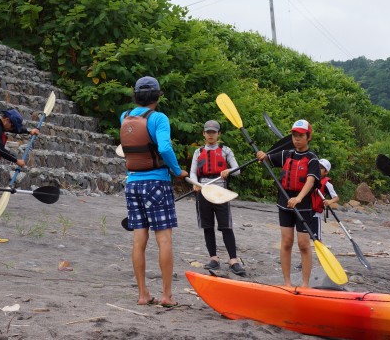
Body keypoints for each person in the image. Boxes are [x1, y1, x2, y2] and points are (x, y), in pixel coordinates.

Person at [120, 76, 189, 307]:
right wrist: (177, 170)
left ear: (136, 95)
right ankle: (167, 296)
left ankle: (143, 294)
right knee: (164, 238)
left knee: (139, 239)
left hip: (132, 183)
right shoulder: (158, 118)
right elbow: (165, 147)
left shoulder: (125, 117)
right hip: (156, 183)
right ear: (157, 96)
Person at [256, 119, 321, 288]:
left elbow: (311, 180)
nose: (297, 139)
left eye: (300, 136)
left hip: (303, 204)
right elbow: (267, 158)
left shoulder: (312, 158)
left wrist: (299, 198)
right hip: (284, 202)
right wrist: (262, 155)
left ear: (308, 137)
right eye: (294, 135)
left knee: (304, 244)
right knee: (286, 242)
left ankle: (305, 285)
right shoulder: (286, 154)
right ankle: (287, 283)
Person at [0, 108, 39, 244]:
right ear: (7, 120)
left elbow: (15, 130)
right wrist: (17, 160)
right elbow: (0, 150)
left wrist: (29, 131)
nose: (12, 128)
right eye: (12, 125)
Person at [189, 120, 246, 276]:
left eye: (214, 132)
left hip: (220, 190)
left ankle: (233, 260)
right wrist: (195, 183)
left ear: (218, 134)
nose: (211, 135)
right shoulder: (198, 152)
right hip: (204, 190)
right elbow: (193, 171)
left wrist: (228, 170)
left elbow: (237, 170)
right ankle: (213, 258)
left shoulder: (225, 150)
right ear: (204, 134)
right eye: (208, 132)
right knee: (208, 226)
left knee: (226, 226)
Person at [311, 158, 339, 240]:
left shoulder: (327, 184)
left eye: (320, 167)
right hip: (306, 210)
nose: (317, 168)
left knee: (316, 238)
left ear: (326, 172)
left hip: (316, 213)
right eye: (317, 166)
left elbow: (336, 198)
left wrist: (330, 201)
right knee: (305, 235)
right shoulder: (310, 178)